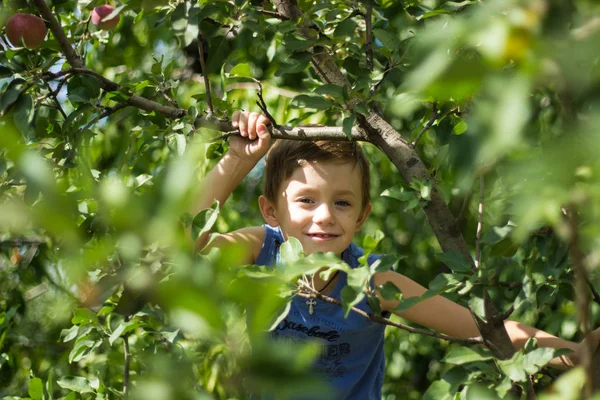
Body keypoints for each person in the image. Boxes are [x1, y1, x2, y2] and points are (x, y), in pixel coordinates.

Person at [192, 111, 599, 399]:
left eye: (343, 203)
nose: (325, 216)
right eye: (306, 199)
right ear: (270, 211)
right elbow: (174, 246)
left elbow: (481, 327)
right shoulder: (259, 250)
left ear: (362, 216)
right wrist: (238, 160)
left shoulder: (371, 283)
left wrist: (573, 354)